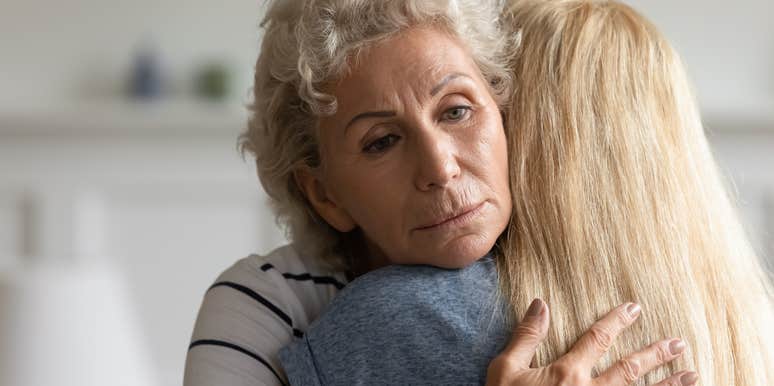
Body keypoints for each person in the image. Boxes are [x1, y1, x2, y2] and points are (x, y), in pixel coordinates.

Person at [183, 0, 772, 385]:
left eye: (458, 110)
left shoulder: (569, 289)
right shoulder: (265, 302)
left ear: (506, 112)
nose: (440, 167)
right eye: (381, 142)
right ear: (325, 196)